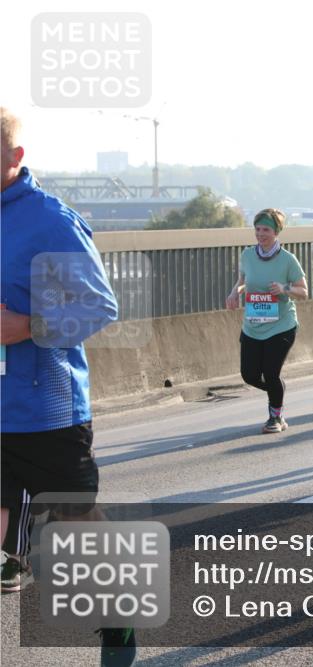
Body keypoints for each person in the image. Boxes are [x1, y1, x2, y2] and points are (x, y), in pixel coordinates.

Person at [0, 107, 133, 665]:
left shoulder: (49, 221)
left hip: (44, 409)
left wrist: (26, 326)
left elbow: (100, 306)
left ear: (15, 157)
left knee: (77, 524)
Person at [225, 209, 308, 433]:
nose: (260, 234)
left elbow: (304, 291)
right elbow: (242, 281)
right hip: (253, 324)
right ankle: (277, 389)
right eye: (258, 229)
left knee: (270, 372)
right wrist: (235, 293)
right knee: (250, 375)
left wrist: (284, 288)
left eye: (266, 230)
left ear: (276, 232)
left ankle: (276, 417)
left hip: (281, 325)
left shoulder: (288, 260)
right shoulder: (247, 255)